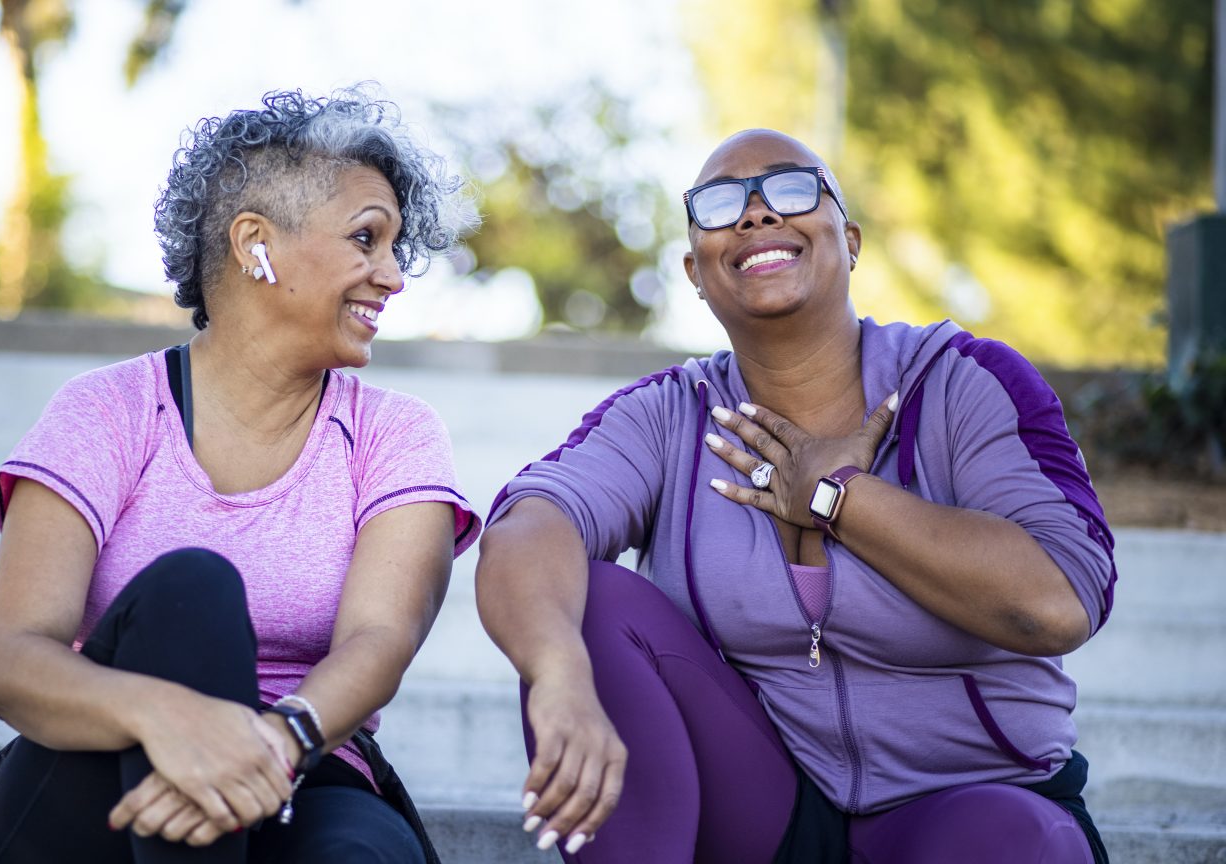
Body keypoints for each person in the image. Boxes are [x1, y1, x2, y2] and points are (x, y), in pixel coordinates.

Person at [475, 129, 1115, 863]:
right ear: (694, 270)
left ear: (851, 240)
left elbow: (1060, 600)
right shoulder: (669, 414)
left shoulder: (962, 381)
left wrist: (839, 497)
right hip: (765, 811)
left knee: (1018, 840)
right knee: (593, 599)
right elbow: (530, 524)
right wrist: (557, 674)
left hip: (967, 806)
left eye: (790, 188)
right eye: (722, 204)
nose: (756, 214)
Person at [0, 85, 481, 864]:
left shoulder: (395, 434)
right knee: (192, 589)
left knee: (361, 855)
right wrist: (171, 720)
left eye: (395, 249)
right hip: (96, 771)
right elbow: (13, 665)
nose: (394, 276)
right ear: (255, 243)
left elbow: (381, 639)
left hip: (306, 762)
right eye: (366, 239)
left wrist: (267, 744)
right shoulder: (107, 410)